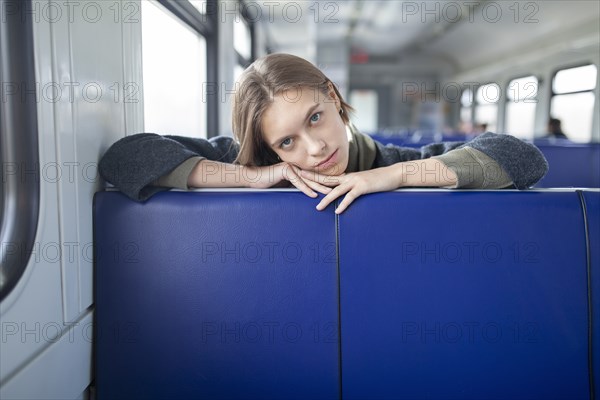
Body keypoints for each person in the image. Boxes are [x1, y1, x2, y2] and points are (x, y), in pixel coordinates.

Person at [99, 53, 548, 214]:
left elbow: (523, 158)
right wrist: (251, 177)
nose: (317, 149)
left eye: (315, 117)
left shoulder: (394, 162)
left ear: (332, 96)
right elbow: (124, 156)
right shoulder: (242, 160)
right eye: (286, 141)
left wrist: (392, 177)